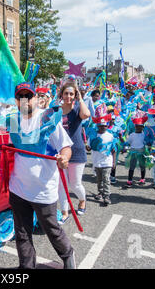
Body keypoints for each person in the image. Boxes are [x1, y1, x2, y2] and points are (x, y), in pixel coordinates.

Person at [6, 82, 76, 269]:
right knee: (22, 233)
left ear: (35, 98)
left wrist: (64, 158)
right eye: (20, 97)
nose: (24, 100)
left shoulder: (47, 118)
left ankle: (68, 255)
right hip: (18, 188)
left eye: (28, 96)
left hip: (43, 190)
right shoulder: (12, 120)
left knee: (52, 230)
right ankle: (26, 267)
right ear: (16, 100)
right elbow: (11, 147)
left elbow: (66, 147)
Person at [57, 81, 91, 223]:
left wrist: (80, 98)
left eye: (71, 94)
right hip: (60, 152)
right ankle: (64, 212)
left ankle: (82, 200)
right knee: (61, 184)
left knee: (75, 184)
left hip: (77, 151)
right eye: (66, 93)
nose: (68, 96)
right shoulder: (56, 110)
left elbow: (86, 114)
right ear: (62, 94)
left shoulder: (77, 108)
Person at [87, 104, 116, 206]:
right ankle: (100, 192)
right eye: (101, 126)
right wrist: (87, 146)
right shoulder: (93, 135)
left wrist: (114, 162)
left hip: (107, 162)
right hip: (97, 161)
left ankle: (107, 195)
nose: (103, 127)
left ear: (107, 126)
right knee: (99, 179)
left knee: (106, 179)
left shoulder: (110, 136)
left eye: (105, 125)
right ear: (97, 126)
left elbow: (113, 150)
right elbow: (89, 148)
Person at [124, 111, 148, 188]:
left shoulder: (144, 135)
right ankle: (129, 180)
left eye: (140, 126)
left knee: (142, 166)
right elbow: (128, 142)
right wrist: (124, 146)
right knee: (132, 166)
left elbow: (146, 143)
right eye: (137, 126)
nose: (139, 128)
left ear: (143, 127)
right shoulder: (132, 135)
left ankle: (142, 179)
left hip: (141, 152)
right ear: (135, 127)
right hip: (133, 152)